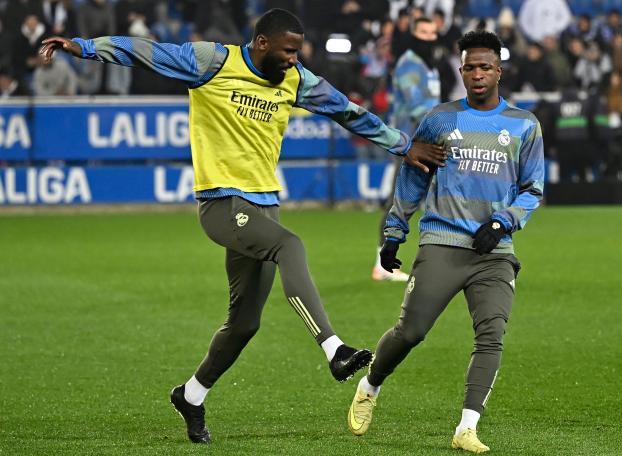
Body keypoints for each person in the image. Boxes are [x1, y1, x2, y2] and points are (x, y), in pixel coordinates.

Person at [39, 8, 444, 445]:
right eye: (288, 51)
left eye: (298, 52)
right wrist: (81, 47)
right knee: (290, 247)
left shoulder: (297, 79)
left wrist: (403, 146)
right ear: (262, 42)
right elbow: (145, 52)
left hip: (264, 205)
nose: (293, 59)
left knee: (245, 322)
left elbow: (348, 111)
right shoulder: (212, 62)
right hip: (221, 202)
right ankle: (335, 349)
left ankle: (191, 395)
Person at [348, 30, 544, 453]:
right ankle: (370, 384)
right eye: (470, 67)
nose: (477, 74)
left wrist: (503, 223)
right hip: (442, 242)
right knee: (411, 331)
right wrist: (393, 233)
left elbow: (533, 188)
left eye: (485, 67)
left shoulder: (525, 125)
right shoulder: (440, 119)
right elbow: (413, 176)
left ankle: (467, 427)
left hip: (494, 251)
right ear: (461, 71)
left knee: (491, 335)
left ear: (499, 71)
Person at [371, 16, 444, 282]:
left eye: (432, 32)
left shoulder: (428, 65)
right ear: (414, 34)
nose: (429, 37)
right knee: (400, 204)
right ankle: (383, 263)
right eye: (423, 32)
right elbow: (418, 108)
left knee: (436, 202)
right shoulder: (409, 64)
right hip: (411, 144)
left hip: (428, 143)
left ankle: (437, 263)